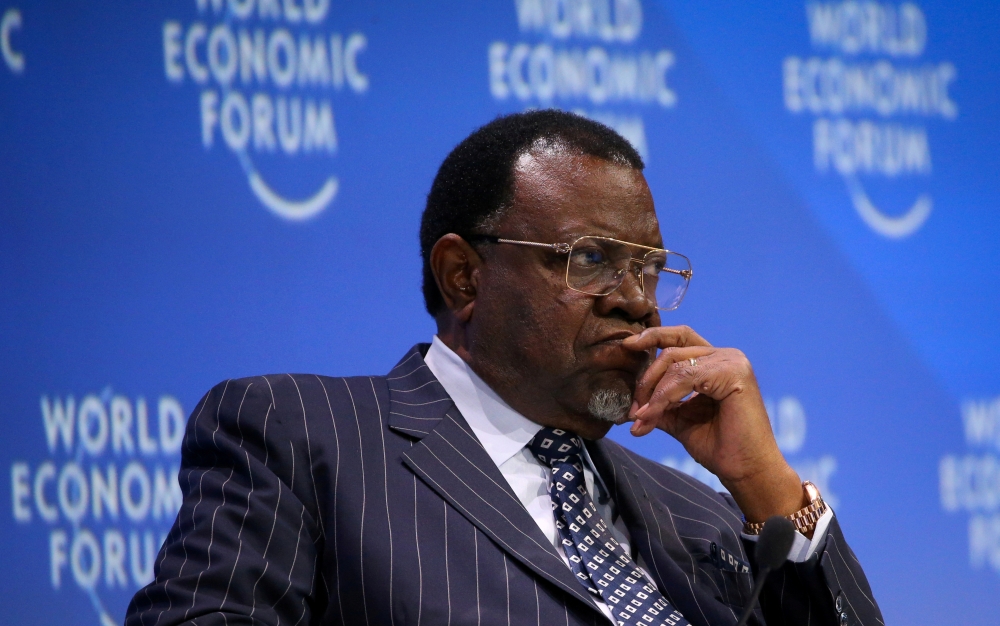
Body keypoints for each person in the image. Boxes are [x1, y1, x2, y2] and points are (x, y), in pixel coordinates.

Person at [125, 110, 882, 626]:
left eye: (649, 269)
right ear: (463, 276)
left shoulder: (703, 519)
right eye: (591, 260)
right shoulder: (304, 438)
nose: (637, 305)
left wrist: (766, 485)